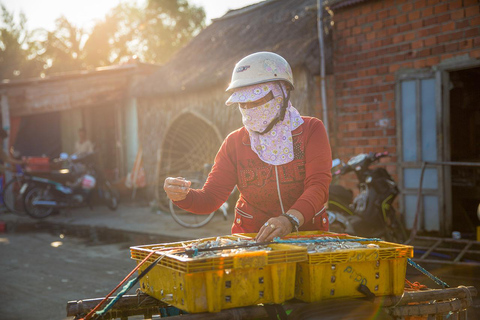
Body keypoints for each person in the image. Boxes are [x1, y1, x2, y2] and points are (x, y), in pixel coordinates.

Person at [164, 52, 332, 242]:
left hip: (308, 237)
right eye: (243, 103)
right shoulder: (234, 142)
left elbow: (318, 186)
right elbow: (210, 198)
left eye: (257, 100)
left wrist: (289, 219)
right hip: (252, 240)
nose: (249, 108)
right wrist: (182, 196)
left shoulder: (310, 130)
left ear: (281, 93)